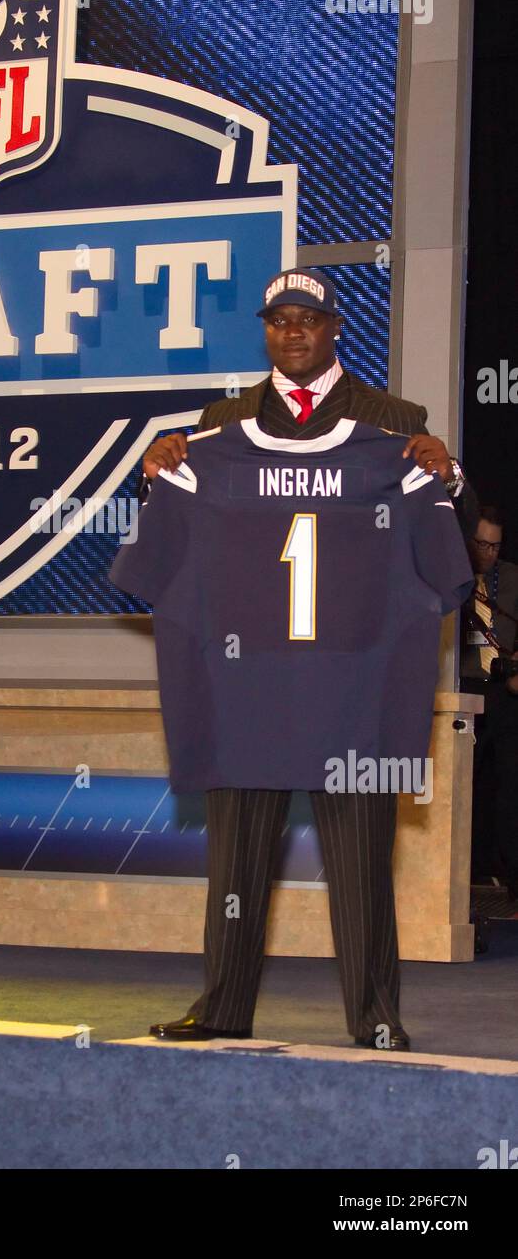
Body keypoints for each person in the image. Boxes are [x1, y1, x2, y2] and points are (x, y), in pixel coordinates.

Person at [138, 267, 475, 1051]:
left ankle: (377, 1015)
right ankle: (221, 1005)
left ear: (333, 329)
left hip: (349, 680)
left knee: (359, 861)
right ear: (266, 329)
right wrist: (155, 473)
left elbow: (444, 527)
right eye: (279, 320)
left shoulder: (393, 420)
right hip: (247, 675)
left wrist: (447, 473)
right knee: (235, 859)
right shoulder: (218, 423)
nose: (293, 333)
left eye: (308, 321)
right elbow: (184, 532)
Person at [460, 506, 518, 897]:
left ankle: (512, 880)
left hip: (505, 693)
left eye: (495, 546)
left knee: (509, 785)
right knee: (465, 786)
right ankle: (464, 877)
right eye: (482, 543)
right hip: (465, 690)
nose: (489, 553)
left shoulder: (513, 578)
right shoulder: (454, 575)